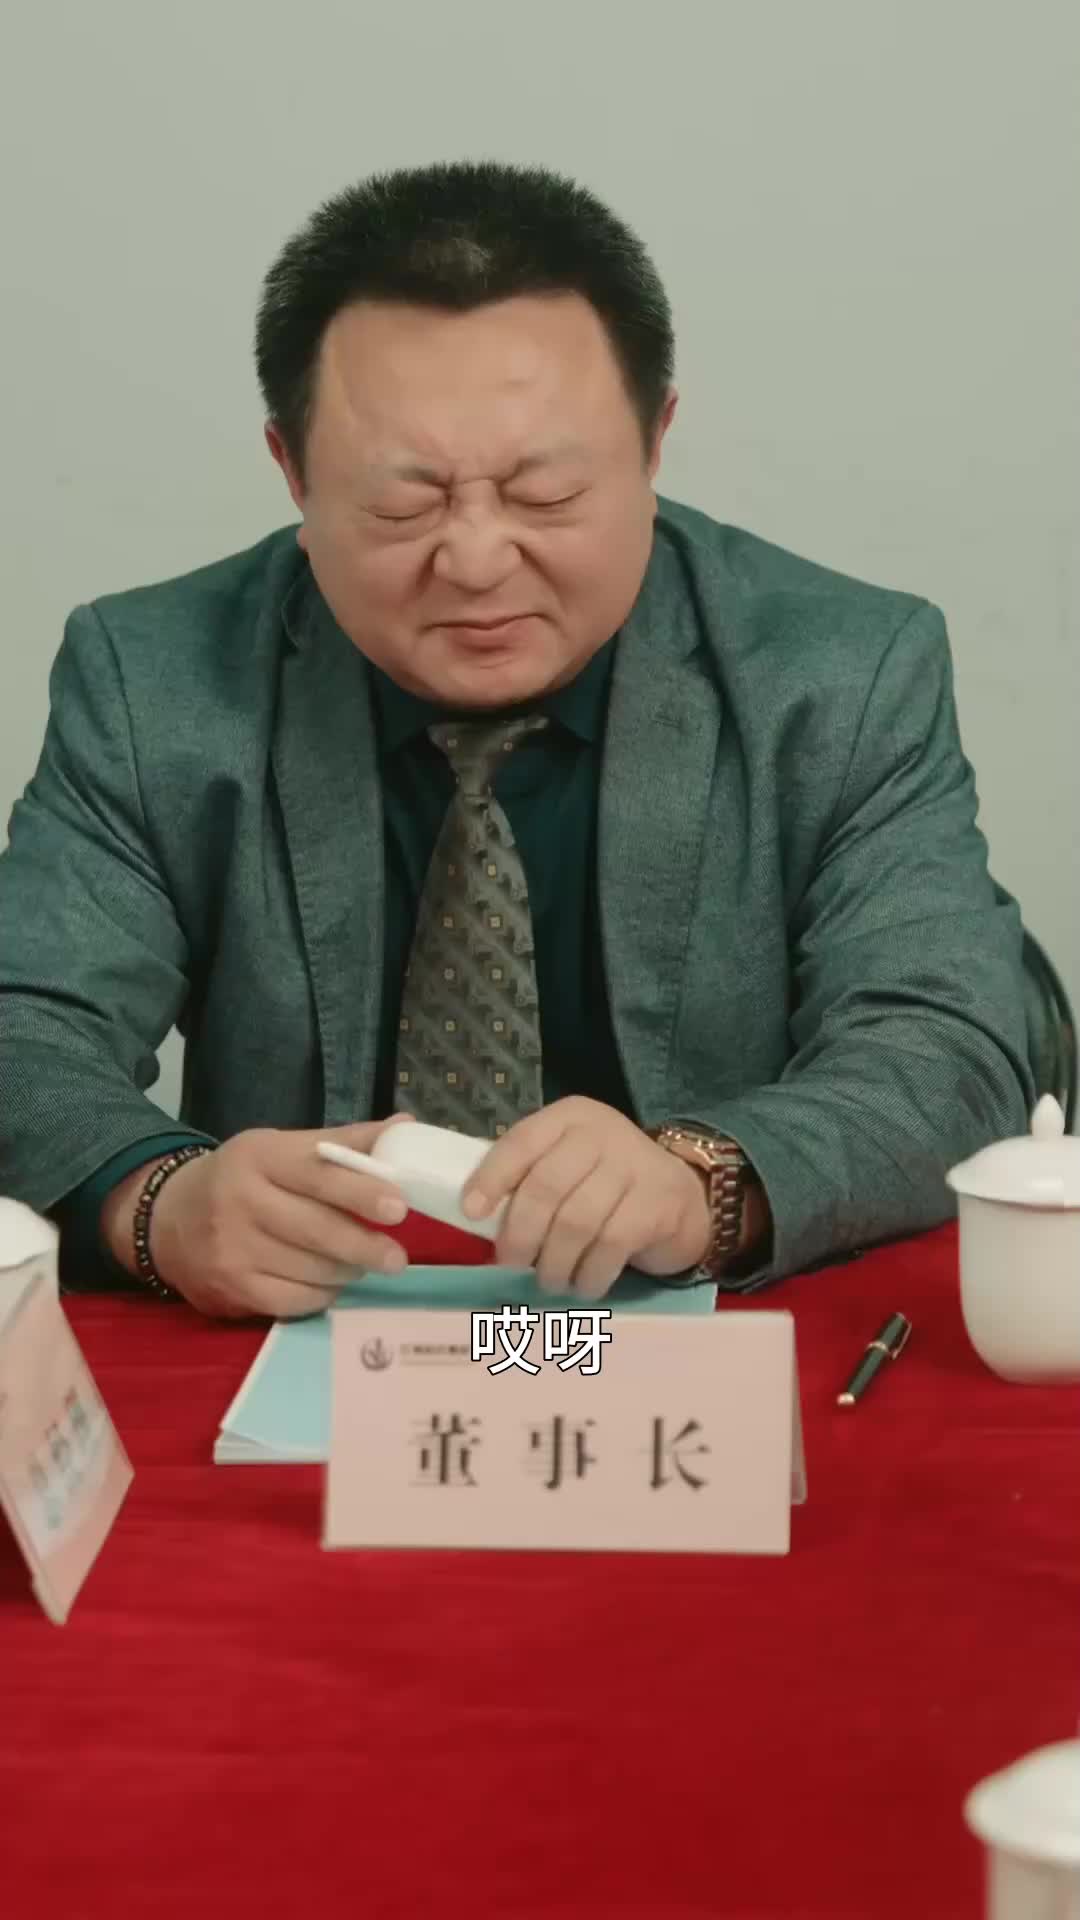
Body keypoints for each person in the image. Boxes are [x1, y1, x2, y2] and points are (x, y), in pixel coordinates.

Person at [0, 160, 1031, 1320]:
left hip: (707, 1352)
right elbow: (25, 1024)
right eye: (404, 504)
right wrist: (156, 1203)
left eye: (545, 496)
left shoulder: (841, 675)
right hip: (302, 1342)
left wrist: (704, 1180)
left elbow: (946, 1042)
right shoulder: (153, 682)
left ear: (655, 443)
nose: (478, 561)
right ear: (290, 470)